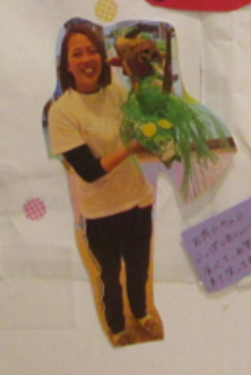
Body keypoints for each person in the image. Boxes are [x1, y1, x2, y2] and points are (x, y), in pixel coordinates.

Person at [47, 20, 161, 346]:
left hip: (137, 200)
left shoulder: (117, 93)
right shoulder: (62, 111)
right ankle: (117, 327)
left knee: (139, 269)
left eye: (92, 51)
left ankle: (141, 312)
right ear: (67, 65)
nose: (86, 59)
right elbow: (89, 170)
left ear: (102, 56)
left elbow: (142, 123)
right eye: (77, 54)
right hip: (100, 212)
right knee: (110, 276)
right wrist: (131, 148)